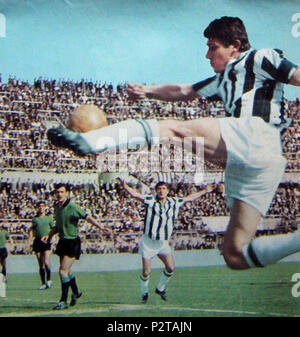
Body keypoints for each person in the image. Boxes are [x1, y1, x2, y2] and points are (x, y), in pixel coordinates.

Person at [47, 16, 300, 271]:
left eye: (213, 47)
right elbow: (184, 91)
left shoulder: (260, 57)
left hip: (257, 134)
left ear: (235, 44)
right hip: (259, 161)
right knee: (234, 255)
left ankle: (87, 142)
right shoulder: (224, 80)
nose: (207, 55)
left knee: (169, 128)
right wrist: (147, 91)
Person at [117, 178, 215, 302]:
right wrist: (125, 186)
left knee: (170, 267)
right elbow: (135, 195)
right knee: (146, 272)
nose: (161, 191)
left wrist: (205, 190)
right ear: (156, 191)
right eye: (159, 189)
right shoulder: (150, 200)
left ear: (168, 191)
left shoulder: (174, 202)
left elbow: (190, 197)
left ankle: (160, 288)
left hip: (163, 242)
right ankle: (144, 293)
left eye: (164, 189)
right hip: (149, 242)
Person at [42, 183, 110, 310]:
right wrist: (49, 235)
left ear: (67, 193)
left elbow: (87, 217)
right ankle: (76, 292)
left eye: (62, 192)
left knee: (62, 271)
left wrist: (100, 227)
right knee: (67, 271)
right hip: (62, 241)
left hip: (72, 242)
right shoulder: (56, 206)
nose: (59, 194)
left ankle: (63, 301)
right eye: (57, 192)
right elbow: (58, 225)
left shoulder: (73, 206)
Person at [27, 201, 55, 290]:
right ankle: (43, 283)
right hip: (37, 241)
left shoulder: (49, 218)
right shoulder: (35, 219)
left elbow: (54, 229)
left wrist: (52, 237)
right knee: (41, 264)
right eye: (39, 206)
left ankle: (49, 280)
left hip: (46, 240)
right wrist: (28, 243)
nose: (41, 208)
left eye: (42, 206)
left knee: (47, 262)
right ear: (37, 208)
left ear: (45, 207)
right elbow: (32, 231)